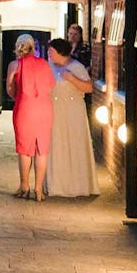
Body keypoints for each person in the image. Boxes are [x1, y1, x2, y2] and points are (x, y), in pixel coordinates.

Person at [46, 39, 99, 197]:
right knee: (57, 143)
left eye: (51, 51)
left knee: (73, 143)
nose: (49, 54)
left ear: (61, 52)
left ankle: (76, 184)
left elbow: (89, 88)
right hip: (54, 109)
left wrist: (71, 79)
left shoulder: (76, 67)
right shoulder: (49, 66)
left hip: (73, 110)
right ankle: (56, 183)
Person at [6, 33, 55, 202]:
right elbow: (51, 86)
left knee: (24, 148)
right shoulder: (45, 64)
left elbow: (10, 88)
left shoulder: (15, 64)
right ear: (33, 47)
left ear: (18, 47)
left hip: (25, 107)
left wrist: (19, 97)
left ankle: (24, 185)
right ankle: (39, 189)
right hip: (44, 108)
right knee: (42, 148)